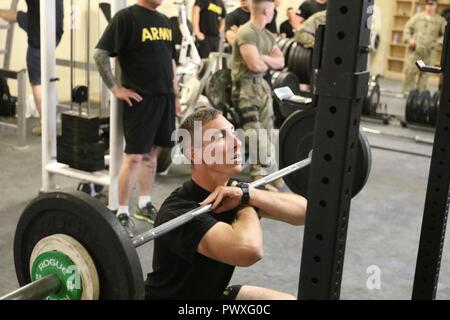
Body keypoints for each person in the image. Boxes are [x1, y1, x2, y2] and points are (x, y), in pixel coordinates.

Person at [145, 108, 307, 299]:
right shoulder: (178, 212)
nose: (237, 143)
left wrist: (246, 195)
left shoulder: (235, 189)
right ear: (195, 153)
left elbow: (305, 212)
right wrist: (245, 202)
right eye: (221, 137)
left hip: (214, 294)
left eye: (233, 133)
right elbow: (249, 251)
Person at [94, 0, 180, 234]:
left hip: (164, 98)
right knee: (133, 157)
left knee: (152, 156)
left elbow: (170, 60)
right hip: (141, 100)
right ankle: (121, 211)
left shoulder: (164, 21)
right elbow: (100, 54)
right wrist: (115, 88)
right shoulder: (126, 18)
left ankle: (144, 203)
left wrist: (176, 94)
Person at [231, 0, 284, 186]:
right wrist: (266, 61)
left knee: (268, 131)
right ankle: (269, 171)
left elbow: (281, 61)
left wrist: (264, 58)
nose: (273, 13)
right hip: (245, 90)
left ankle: (259, 176)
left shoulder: (267, 35)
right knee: (254, 134)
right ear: (265, 11)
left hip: (262, 88)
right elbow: (255, 65)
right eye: (272, 10)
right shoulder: (246, 32)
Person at [0, 0, 64, 136]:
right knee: (46, 80)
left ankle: (46, 125)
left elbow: (16, 16)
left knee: (37, 84)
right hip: (53, 36)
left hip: (38, 41)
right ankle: (49, 121)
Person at [402, 0, 446, 94]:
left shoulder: (440, 20)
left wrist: (438, 42)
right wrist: (410, 40)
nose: (429, 6)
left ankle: (419, 99)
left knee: (425, 76)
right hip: (415, 51)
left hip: (429, 52)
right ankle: (408, 96)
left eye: (431, 4)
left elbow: (446, 35)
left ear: (436, 6)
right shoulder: (418, 17)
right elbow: (407, 28)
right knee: (410, 72)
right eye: (427, 4)